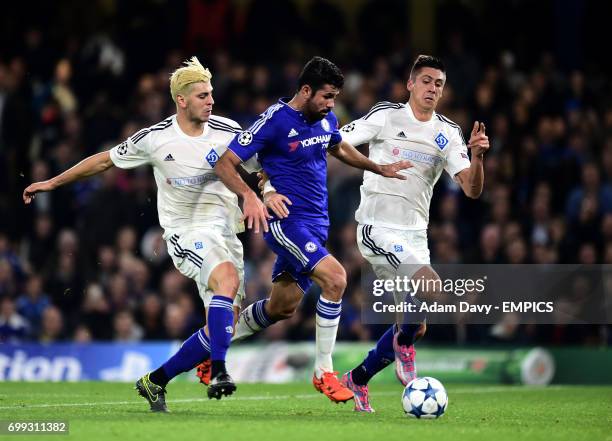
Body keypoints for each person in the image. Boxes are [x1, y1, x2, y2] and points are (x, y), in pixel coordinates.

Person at [23, 57, 262, 411]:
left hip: (226, 233)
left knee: (224, 324)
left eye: (211, 94)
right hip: (186, 232)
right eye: (202, 96)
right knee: (225, 282)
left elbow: (262, 164)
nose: (211, 101)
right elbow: (104, 160)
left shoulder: (227, 129)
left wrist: (266, 191)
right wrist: (53, 182)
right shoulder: (155, 138)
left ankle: (155, 381)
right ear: (181, 100)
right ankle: (220, 372)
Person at [212, 56, 411, 403]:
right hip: (287, 222)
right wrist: (253, 196)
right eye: (326, 96)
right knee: (336, 278)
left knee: (281, 307)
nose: (331, 104)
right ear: (306, 90)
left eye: (334, 97)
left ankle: (211, 346)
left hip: (317, 224)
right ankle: (324, 372)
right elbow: (225, 162)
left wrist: (377, 167)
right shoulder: (274, 121)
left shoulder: (325, 118)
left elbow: (337, 145)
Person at [338, 55, 489, 412]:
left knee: (415, 324)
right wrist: (376, 166)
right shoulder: (386, 115)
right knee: (430, 288)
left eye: (438, 83)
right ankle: (411, 345)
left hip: (415, 236)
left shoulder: (448, 134)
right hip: (377, 227)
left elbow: (471, 189)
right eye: (426, 80)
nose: (432, 88)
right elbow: (338, 142)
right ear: (410, 84)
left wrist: (478, 157)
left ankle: (357, 379)